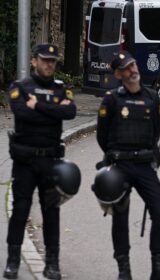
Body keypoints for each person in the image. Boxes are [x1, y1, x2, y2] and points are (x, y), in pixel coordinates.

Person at [96, 51, 160, 280]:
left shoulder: (151, 97)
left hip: (144, 166)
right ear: (119, 74)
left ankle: (158, 268)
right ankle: (124, 269)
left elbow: (155, 130)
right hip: (119, 165)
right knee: (120, 217)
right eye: (127, 68)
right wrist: (114, 154)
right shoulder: (111, 99)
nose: (133, 70)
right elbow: (102, 136)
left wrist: (149, 154)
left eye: (133, 65)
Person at [4, 43, 77, 280]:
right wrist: (53, 109)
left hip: (50, 160)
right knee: (20, 210)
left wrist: (39, 106)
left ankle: (52, 263)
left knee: (51, 212)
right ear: (34, 61)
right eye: (45, 60)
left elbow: (70, 112)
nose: (49, 65)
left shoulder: (61, 88)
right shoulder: (20, 87)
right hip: (25, 161)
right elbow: (22, 112)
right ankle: (13, 261)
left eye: (53, 61)